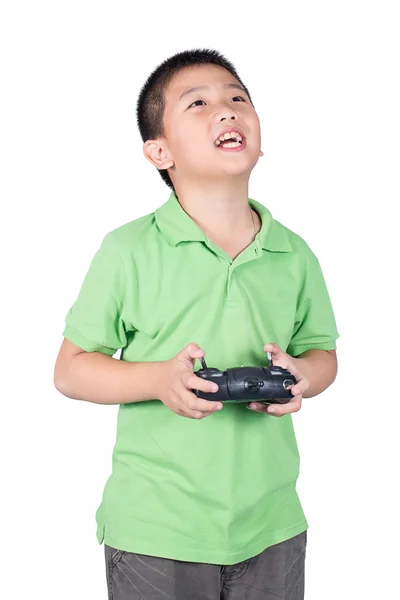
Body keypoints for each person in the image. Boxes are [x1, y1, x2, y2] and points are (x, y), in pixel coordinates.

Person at [54, 48, 339, 600]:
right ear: (159, 151)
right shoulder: (128, 249)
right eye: (199, 104)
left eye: (238, 99)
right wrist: (158, 380)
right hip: (158, 530)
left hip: (271, 523)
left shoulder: (293, 252)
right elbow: (71, 371)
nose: (227, 111)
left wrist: (304, 375)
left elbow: (322, 355)